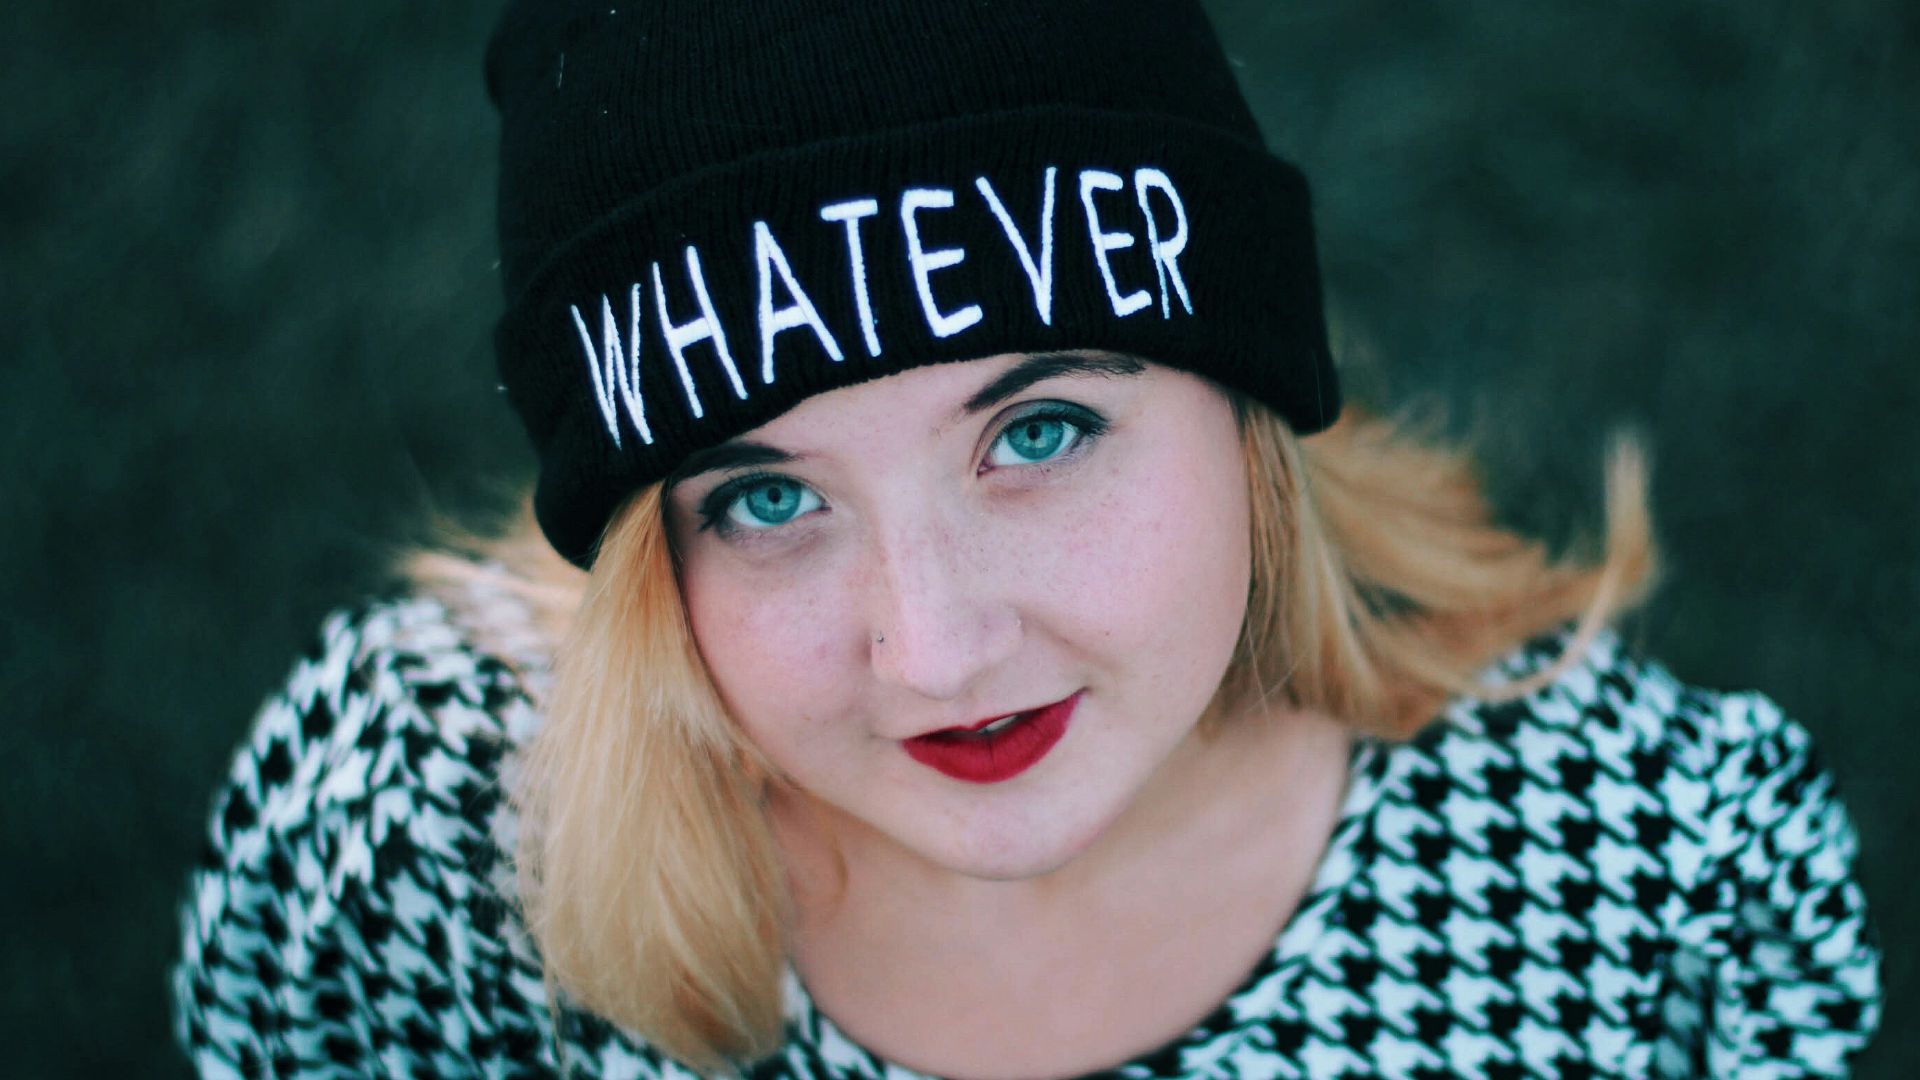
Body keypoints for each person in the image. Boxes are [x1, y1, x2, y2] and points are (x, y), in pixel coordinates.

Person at [169, 1, 1883, 1077]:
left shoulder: (1657, 876)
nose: (937, 651)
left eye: (1038, 430)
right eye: (767, 497)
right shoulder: (420, 840)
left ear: (1245, 392)